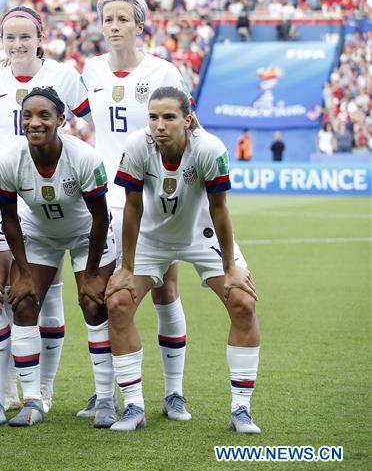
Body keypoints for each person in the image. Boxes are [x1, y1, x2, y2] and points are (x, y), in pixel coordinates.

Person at [106, 86, 260, 434]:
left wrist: (230, 268)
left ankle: (241, 409)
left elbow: (220, 209)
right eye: (154, 117)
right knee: (117, 303)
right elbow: (132, 207)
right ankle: (134, 406)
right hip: (151, 238)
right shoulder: (137, 146)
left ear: (188, 120)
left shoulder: (209, 148)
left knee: (243, 303)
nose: (159, 125)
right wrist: (127, 268)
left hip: (201, 235)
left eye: (169, 117)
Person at [83, 0, 193, 422]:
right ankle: (107, 391)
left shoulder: (163, 70)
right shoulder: (91, 69)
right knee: (109, 294)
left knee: (166, 291)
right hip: (107, 197)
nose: (114, 26)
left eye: (122, 19)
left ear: (139, 25)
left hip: (155, 198)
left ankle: (174, 393)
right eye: (108, 19)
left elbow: (187, 126)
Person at [0, 5, 92, 413]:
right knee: (7, 289)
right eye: (10, 37)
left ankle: (43, 386)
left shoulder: (63, 75)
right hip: (6, 190)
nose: (17, 44)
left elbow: (87, 116)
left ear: (40, 36)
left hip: (48, 192)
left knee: (48, 293)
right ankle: (9, 383)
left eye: (25, 36)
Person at [0, 87, 116, 427]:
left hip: (85, 234)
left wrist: (91, 273)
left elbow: (101, 218)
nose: (34, 122)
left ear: (62, 120)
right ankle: (32, 400)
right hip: (41, 235)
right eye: (27, 116)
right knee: (24, 302)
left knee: (94, 303)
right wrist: (24, 272)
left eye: (44, 116)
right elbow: (9, 219)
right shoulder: (8, 160)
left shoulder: (84, 157)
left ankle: (105, 400)